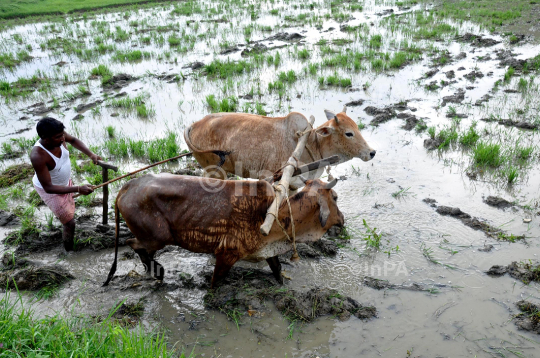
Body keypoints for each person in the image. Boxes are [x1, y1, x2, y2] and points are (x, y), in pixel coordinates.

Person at [30, 117, 101, 251]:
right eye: (58, 137)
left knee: (69, 207)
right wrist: (78, 188)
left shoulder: (59, 136)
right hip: (50, 189)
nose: (63, 139)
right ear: (46, 138)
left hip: (63, 182)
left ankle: (64, 216)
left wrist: (91, 154)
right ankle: (68, 251)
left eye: (63, 135)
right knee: (70, 223)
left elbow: (73, 140)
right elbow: (49, 188)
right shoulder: (38, 155)